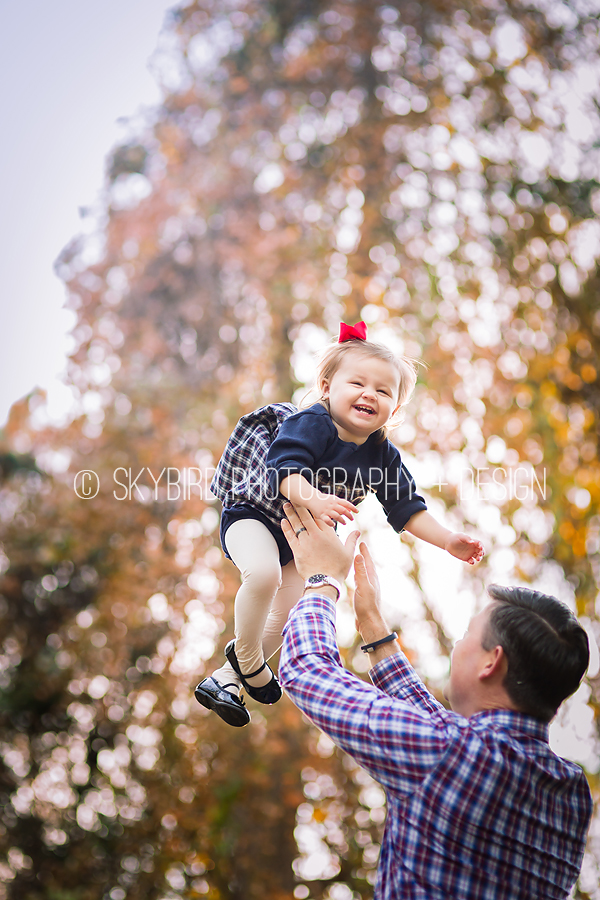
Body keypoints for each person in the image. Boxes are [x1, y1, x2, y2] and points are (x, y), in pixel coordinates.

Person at [277, 503, 593, 900]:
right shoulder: (571, 791)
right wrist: (373, 626)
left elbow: (306, 669)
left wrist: (324, 580)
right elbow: (450, 752)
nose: (458, 645)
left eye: (466, 636)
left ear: (491, 662)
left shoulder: (445, 752)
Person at [195, 322, 483, 727]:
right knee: (262, 577)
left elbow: (406, 507)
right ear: (328, 387)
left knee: (295, 608)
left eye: (384, 391)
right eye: (358, 383)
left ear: (394, 409)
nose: (370, 394)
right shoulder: (313, 422)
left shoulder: (383, 455)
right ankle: (249, 665)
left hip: (297, 541)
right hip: (254, 515)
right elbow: (284, 470)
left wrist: (447, 540)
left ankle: (225, 681)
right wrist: (315, 499)